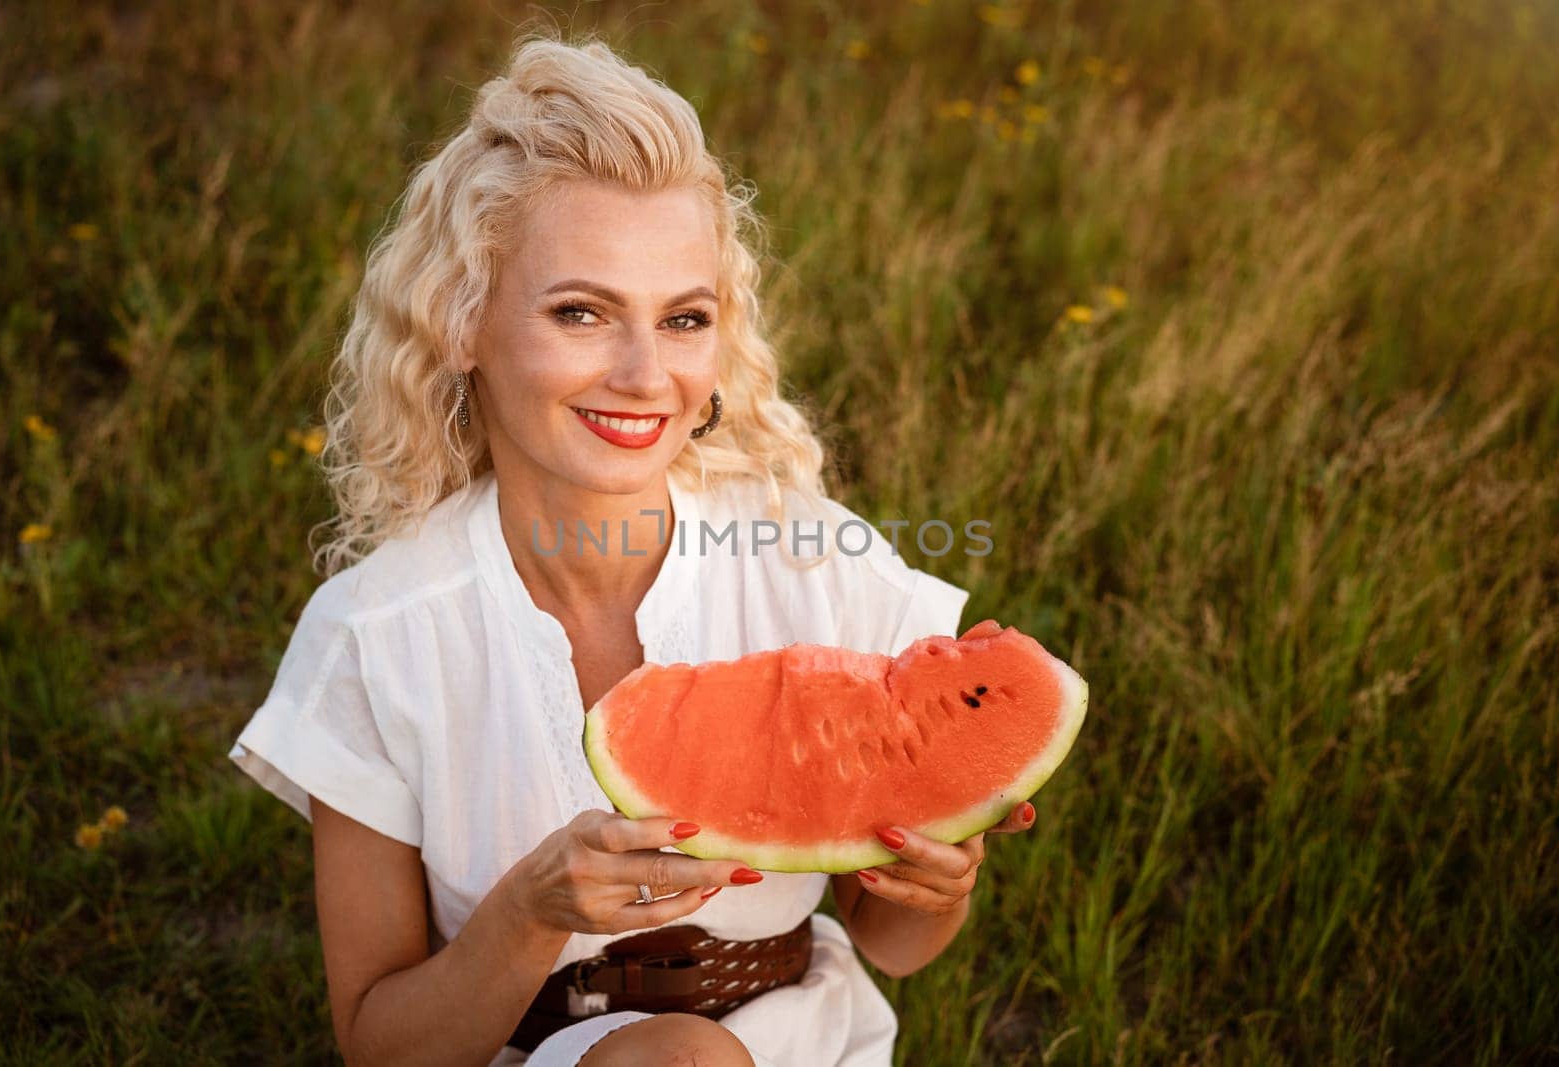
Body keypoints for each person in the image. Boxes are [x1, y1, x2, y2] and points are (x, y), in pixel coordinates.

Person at [228, 33, 1036, 1067]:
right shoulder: (374, 637)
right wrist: (529, 909)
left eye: (684, 318)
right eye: (581, 312)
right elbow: (382, 1044)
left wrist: (939, 883)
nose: (645, 373)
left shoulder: (813, 565)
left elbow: (894, 943)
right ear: (460, 325)